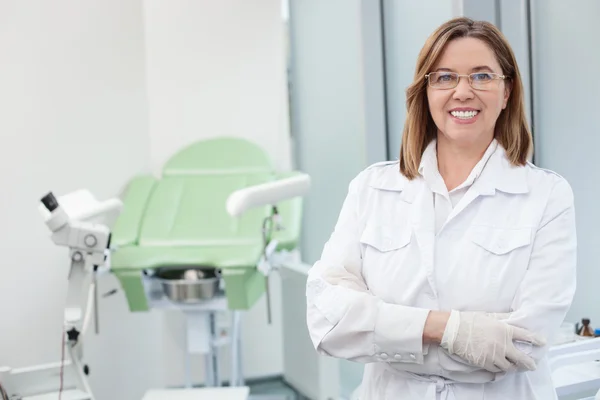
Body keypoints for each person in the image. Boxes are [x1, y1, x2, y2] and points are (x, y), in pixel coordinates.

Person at [305, 17, 577, 399]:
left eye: (482, 76)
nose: (463, 92)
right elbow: (327, 320)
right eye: (445, 77)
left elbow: (523, 344)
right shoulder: (372, 188)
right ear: (426, 91)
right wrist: (447, 330)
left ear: (507, 92)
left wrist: (382, 335)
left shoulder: (547, 195)